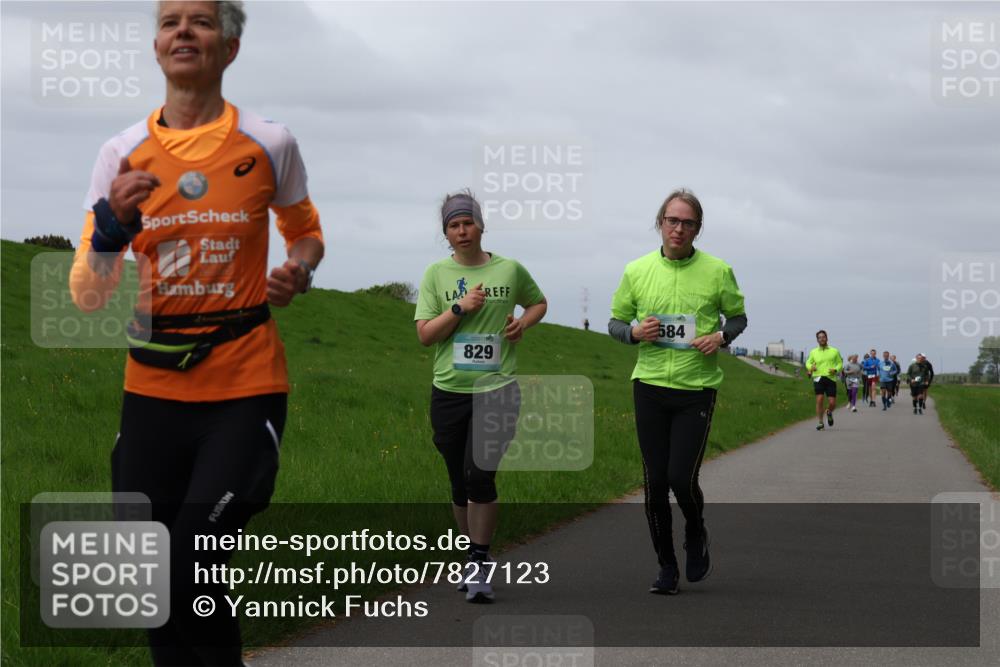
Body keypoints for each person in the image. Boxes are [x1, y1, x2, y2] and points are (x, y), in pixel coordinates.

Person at [69, 2, 324, 663]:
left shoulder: (270, 143)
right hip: (151, 390)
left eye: (201, 21)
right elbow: (89, 295)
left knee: (188, 563)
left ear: (230, 47)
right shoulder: (120, 154)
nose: (183, 30)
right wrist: (113, 224)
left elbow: (306, 234)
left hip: (244, 385)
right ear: (157, 46)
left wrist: (297, 268)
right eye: (169, 21)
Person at [608, 188, 747, 595]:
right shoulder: (636, 270)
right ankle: (666, 565)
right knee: (654, 483)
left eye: (688, 222)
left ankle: (696, 531)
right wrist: (634, 332)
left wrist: (720, 337)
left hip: (696, 388)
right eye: (672, 220)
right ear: (660, 223)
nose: (679, 228)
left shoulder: (718, 270)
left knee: (681, 478)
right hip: (649, 385)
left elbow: (738, 318)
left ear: (697, 229)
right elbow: (615, 323)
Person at [414, 190, 547, 603]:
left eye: (467, 222)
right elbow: (424, 336)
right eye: (454, 226)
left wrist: (523, 324)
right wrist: (458, 309)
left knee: (479, 474)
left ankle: (479, 560)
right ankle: (471, 554)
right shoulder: (435, 274)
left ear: (481, 225)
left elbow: (539, 303)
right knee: (458, 483)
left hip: (498, 389)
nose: (462, 231)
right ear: (446, 234)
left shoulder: (509, 270)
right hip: (449, 391)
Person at [805, 330, 843, 430]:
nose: (822, 339)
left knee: (832, 403)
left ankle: (829, 412)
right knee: (820, 399)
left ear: (827, 338)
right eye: (819, 337)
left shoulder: (834, 351)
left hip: (830, 378)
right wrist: (810, 368)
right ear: (817, 340)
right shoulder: (813, 352)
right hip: (818, 377)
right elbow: (808, 363)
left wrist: (835, 369)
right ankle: (821, 422)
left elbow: (840, 363)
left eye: (823, 337)